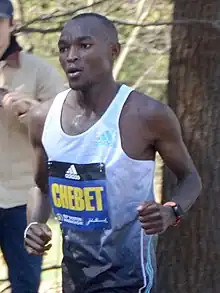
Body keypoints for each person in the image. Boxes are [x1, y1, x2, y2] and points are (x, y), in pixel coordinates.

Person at [24, 12, 202, 293]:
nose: (71, 56)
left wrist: (171, 211)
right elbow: (40, 187)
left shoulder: (146, 114)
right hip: (74, 279)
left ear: (114, 51)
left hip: (130, 280)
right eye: (63, 48)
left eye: (84, 46)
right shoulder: (41, 118)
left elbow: (190, 178)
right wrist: (34, 224)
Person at [0, 0, 65, 292]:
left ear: (11, 24)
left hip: (24, 201)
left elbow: (68, 124)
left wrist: (33, 111)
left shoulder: (39, 71)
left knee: (25, 285)